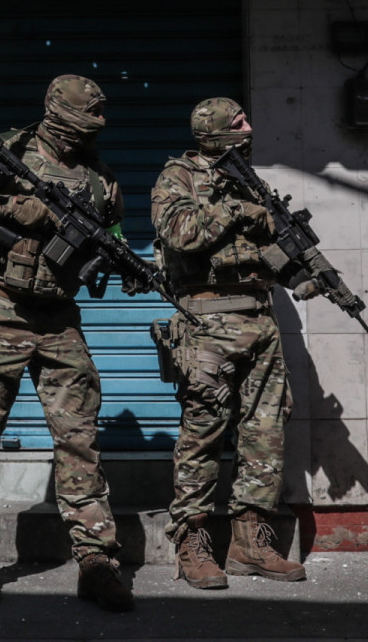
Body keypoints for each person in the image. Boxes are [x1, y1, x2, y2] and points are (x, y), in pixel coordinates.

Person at [0, 74, 132, 612]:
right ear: (59, 111)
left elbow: (113, 233)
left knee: (79, 440)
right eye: (86, 114)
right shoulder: (9, 151)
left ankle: (96, 558)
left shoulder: (98, 177)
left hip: (60, 320)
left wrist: (120, 257)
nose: (93, 125)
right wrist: (11, 208)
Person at [151, 97, 310, 591]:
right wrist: (239, 210)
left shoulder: (248, 179)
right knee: (203, 433)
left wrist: (299, 269)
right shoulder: (177, 177)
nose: (250, 128)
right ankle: (192, 542)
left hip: (259, 320)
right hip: (206, 322)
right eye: (239, 122)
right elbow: (180, 234)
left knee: (266, 433)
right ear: (215, 131)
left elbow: (259, 243)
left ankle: (251, 543)